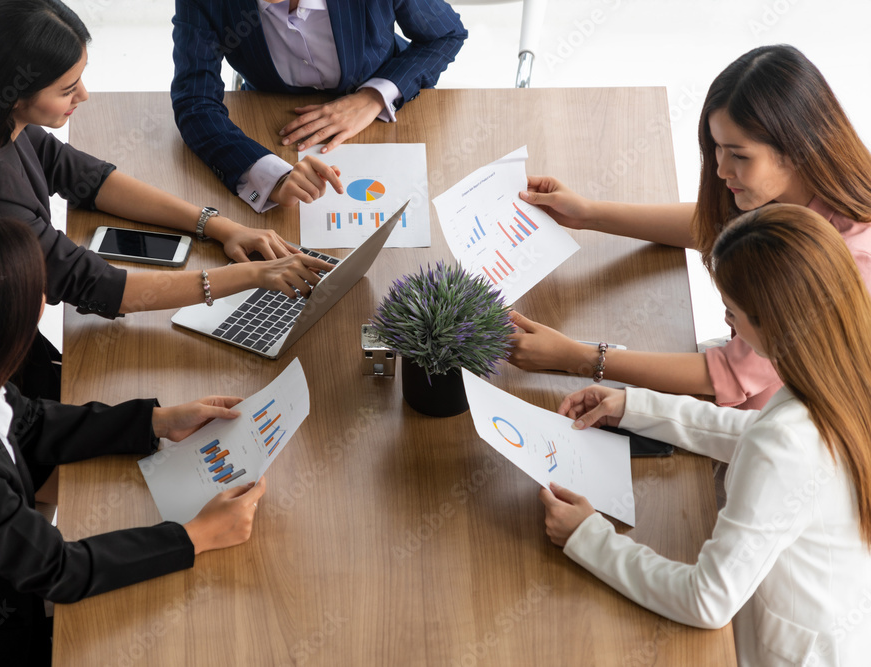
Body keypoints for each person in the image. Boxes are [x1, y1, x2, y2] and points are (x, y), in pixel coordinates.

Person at [0, 0, 333, 399]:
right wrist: (251, 276)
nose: (85, 95)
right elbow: (101, 287)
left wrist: (217, 225)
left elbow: (86, 178)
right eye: (66, 89)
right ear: (15, 95)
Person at [0, 215, 267, 666]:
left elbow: (28, 420)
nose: (46, 297)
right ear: (6, 320)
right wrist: (195, 536)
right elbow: (58, 569)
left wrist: (157, 421)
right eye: (39, 290)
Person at [539, 204, 871, 665]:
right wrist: (635, 406)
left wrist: (587, 536)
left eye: (732, 314)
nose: (727, 328)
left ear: (773, 322)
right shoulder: (848, 368)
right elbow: (756, 432)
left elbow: (707, 600)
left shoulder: (790, 443)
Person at [507, 45, 871, 410]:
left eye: (739, 155)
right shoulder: (795, 194)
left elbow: (729, 374)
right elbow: (715, 225)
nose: (721, 169)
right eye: (716, 147)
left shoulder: (845, 260)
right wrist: (588, 214)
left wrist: (577, 357)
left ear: (796, 146)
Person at [171, 0, 467, 212]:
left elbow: (445, 35)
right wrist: (271, 176)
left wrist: (372, 97)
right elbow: (195, 101)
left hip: (388, 113)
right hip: (271, 123)